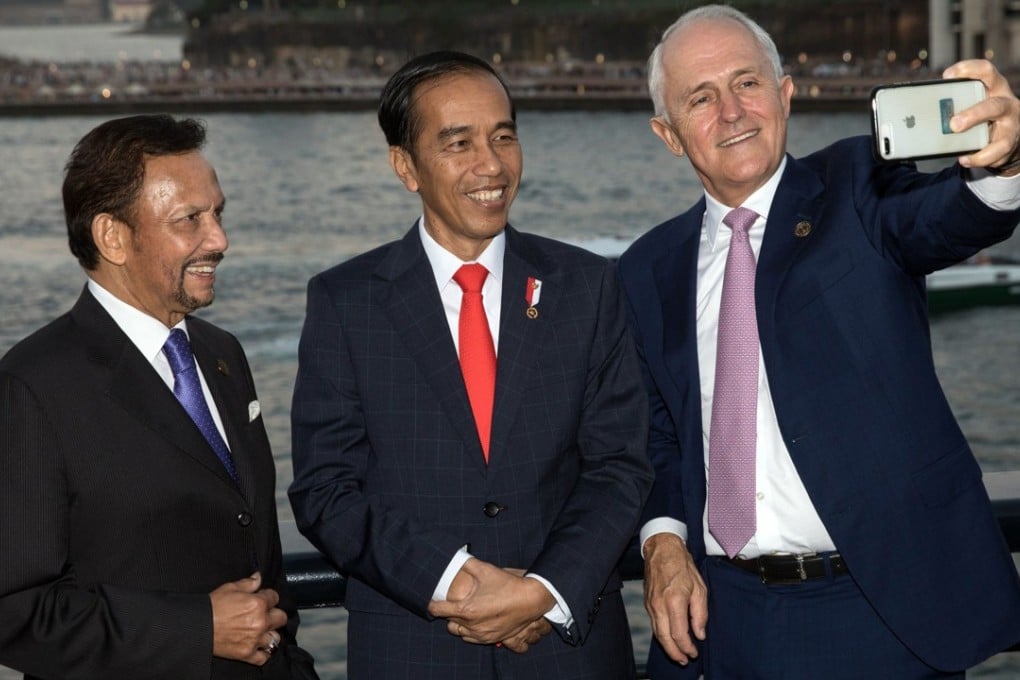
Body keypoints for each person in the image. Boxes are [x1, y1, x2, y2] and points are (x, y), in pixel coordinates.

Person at [617, 5, 1020, 679]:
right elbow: (655, 434)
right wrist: (662, 544)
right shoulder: (646, 268)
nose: (733, 111)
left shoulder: (859, 186)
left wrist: (1002, 163)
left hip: (882, 613)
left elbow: (947, 217)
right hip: (723, 621)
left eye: (747, 83)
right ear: (669, 133)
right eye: (701, 97)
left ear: (785, 94)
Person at [289, 50, 654, 679]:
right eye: (458, 143)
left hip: (569, 651)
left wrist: (546, 589)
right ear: (406, 166)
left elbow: (620, 465)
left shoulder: (588, 287)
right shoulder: (346, 301)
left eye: (504, 137)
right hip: (414, 649)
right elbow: (325, 489)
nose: (491, 165)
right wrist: (452, 579)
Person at [0, 114, 317, 680]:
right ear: (112, 237)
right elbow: (15, 611)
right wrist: (199, 628)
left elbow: (258, 557)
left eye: (218, 213)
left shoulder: (224, 356)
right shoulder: (32, 385)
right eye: (189, 220)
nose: (219, 239)